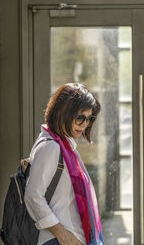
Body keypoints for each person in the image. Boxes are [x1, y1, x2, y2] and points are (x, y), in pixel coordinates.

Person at [25, 83, 104, 245]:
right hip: (57, 240)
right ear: (63, 113)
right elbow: (33, 196)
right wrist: (63, 235)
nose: (84, 124)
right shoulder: (51, 147)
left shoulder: (64, 146)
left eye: (89, 119)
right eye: (80, 117)